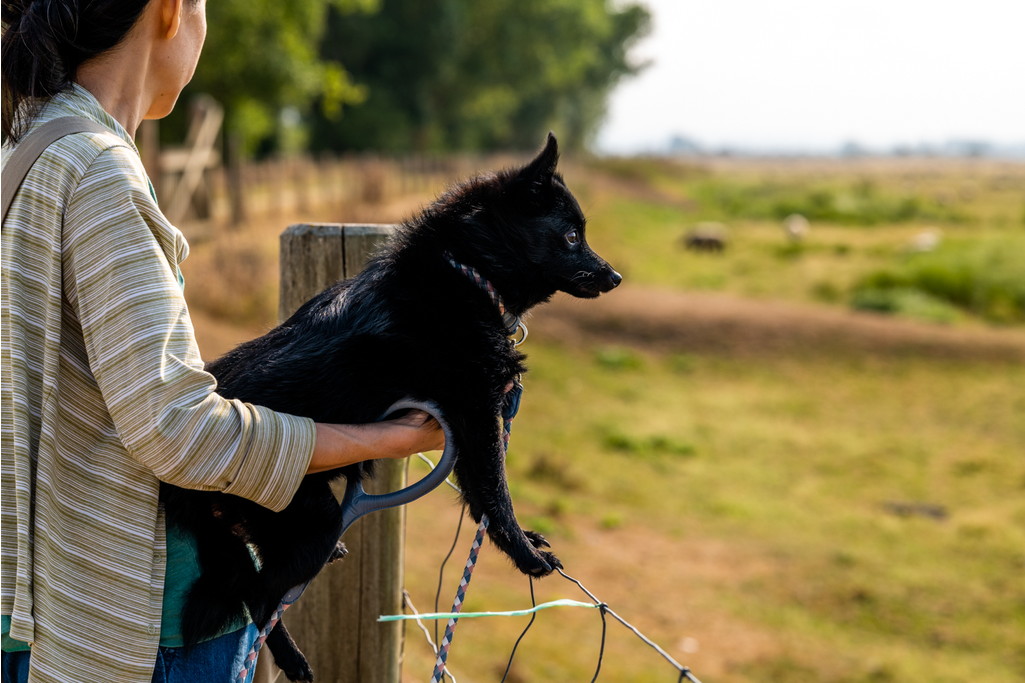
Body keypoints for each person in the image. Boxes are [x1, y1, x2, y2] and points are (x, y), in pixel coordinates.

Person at [0, 1, 444, 681]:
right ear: (170, 11)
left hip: (41, 604)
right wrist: (397, 436)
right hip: (141, 629)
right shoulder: (96, 172)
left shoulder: (26, 149)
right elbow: (176, 429)